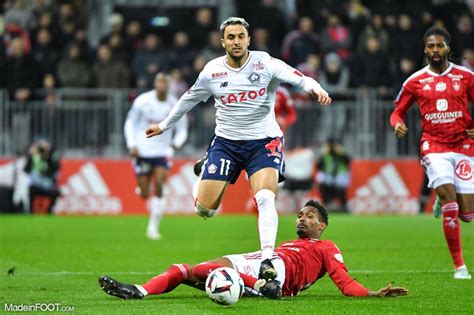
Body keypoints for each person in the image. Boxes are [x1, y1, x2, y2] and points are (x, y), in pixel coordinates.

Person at [145, 17, 332, 280]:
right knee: (206, 211)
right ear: (223, 42)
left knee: (265, 198)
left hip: (264, 142)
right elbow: (189, 99)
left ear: (248, 39)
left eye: (241, 36)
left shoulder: (265, 63)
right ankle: (204, 169)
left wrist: (317, 89)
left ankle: (267, 258)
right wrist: (164, 126)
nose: (236, 41)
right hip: (226, 144)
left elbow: (299, 78)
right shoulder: (212, 71)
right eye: (231, 37)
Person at [98, 200, 408, 300]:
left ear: (323, 225)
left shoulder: (327, 247)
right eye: (300, 215)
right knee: (184, 270)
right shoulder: (287, 243)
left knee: (206, 271)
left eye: (309, 216)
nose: (302, 219)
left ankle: (260, 285)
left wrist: (370, 294)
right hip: (263, 260)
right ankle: (138, 291)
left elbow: (343, 281)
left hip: (280, 276)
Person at [390, 26, 474, 280]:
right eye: (430, 46)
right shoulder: (414, 81)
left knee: (468, 215)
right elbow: (397, 111)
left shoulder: (466, 76)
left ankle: (442, 193)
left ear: (449, 48)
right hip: (433, 146)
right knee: (451, 207)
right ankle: (460, 267)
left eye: (439, 46)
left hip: (463, 145)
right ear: (425, 49)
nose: (434, 50)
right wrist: (397, 124)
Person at [124, 73, 188, 240]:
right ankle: (142, 190)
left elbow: (182, 129)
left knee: (159, 184)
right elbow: (130, 123)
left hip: (162, 152)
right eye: (159, 83)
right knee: (145, 193)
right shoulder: (142, 101)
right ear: (155, 84)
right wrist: (132, 144)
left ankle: (152, 228)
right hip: (143, 151)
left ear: (169, 86)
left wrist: (175, 144)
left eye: (165, 83)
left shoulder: (175, 104)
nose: (162, 86)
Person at [24, 139, 61, 214]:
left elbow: (55, 169)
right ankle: (31, 212)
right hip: (36, 185)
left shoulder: (50, 157)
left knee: (56, 192)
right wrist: (30, 155)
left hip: (47, 185)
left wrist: (47, 155)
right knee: (31, 189)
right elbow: (26, 169)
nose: (41, 150)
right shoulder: (34, 157)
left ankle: (49, 211)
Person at [315, 138, 351, 211]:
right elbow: (318, 167)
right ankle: (328, 204)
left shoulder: (342, 152)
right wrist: (322, 155)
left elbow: (348, 162)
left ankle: (343, 206)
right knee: (322, 181)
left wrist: (341, 153)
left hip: (340, 174)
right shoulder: (324, 153)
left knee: (340, 184)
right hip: (328, 175)